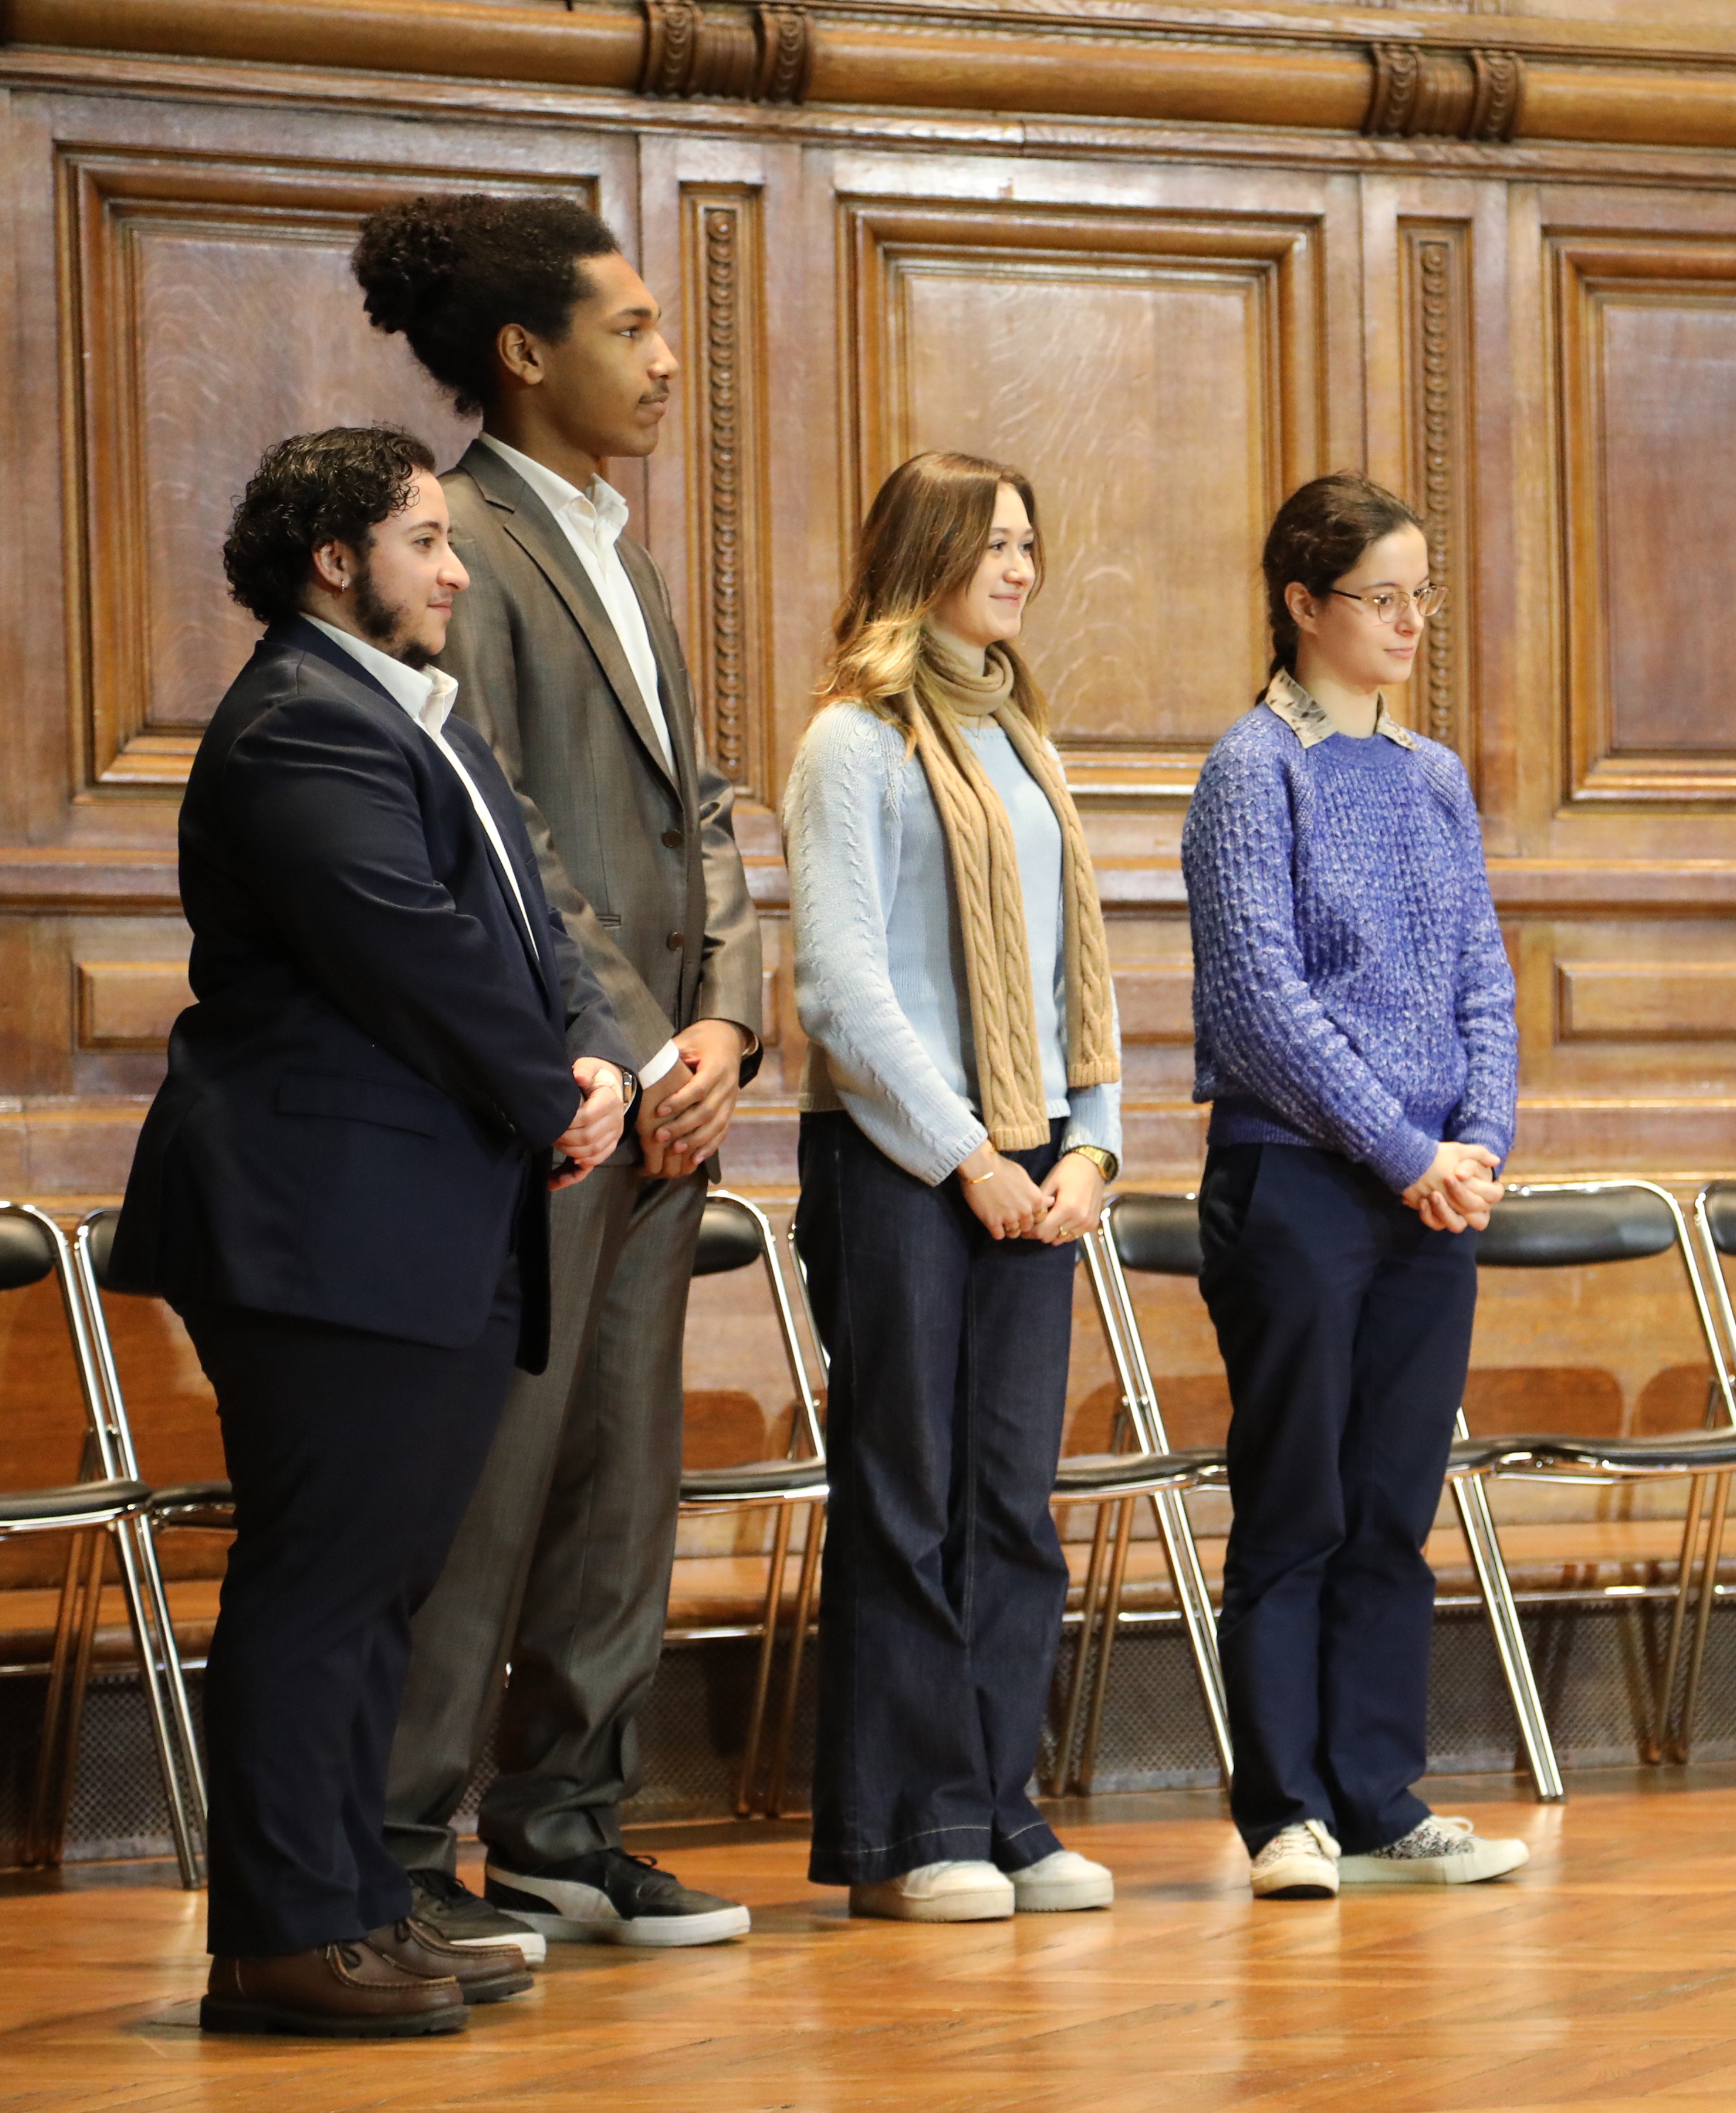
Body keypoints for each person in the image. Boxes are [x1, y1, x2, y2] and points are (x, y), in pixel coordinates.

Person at [107, 427, 631, 2034]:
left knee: (377, 1585)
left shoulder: (409, 714)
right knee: (322, 1585)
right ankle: (280, 1935)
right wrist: (555, 1088)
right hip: (323, 1218)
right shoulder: (300, 725)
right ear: (337, 561)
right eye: (424, 539)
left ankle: (354, 1900)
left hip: (417, 1211)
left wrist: (590, 1053)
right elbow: (408, 949)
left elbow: (520, 927)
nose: (455, 568)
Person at [350, 194, 764, 1953]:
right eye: (635, 326)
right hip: (556, 1103)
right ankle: (389, 1850)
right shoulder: (473, 541)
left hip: (670, 1091)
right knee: (497, 1482)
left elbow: (706, 819)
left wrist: (732, 1019)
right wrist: (637, 1043)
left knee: (621, 1474)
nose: (668, 360)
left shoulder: (619, 542)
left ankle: (565, 1828)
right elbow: (503, 827)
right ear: (527, 354)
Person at [783, 452, 1125, 1923]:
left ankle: (1003, 1807)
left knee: (1009, 1503)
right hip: (903, 1160)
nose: (1022, 567)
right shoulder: (852, 742)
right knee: (904, 1495)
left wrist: (1092, 1139)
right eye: (995, 542)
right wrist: (969, 1154)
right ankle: (910, 1828)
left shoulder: (1023, 738)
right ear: (922, 551)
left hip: (1037, 1155)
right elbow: (843, 987)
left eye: (1032, 544)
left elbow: (1069, 973)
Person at [1181, 471, 1522, 1902]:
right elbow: (1261, 999)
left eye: (1422, 594)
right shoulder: (1251, 769)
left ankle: (1378, 1794)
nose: (1408, 621)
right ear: (1302, 605)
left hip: (1432, 1190)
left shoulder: (1434, 776)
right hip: (1302, 1183)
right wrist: (1403, 1150)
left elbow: (1482, 976)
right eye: (1381, 597)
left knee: (1394, 1500)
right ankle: (1284, 1808)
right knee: (1297, 1499)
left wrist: (1480, 1139)